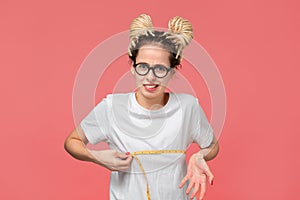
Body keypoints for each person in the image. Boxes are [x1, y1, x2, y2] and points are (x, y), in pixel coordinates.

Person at [64, 14, 219, 200]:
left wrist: (199, 156)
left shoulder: (188, 107)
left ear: (172, 71)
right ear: (132, 66)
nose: (150, 77)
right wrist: (97, 157)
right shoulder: (112, 107)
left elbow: (212, 146)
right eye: (143, 67)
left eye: (160, 69)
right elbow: (72, 141)